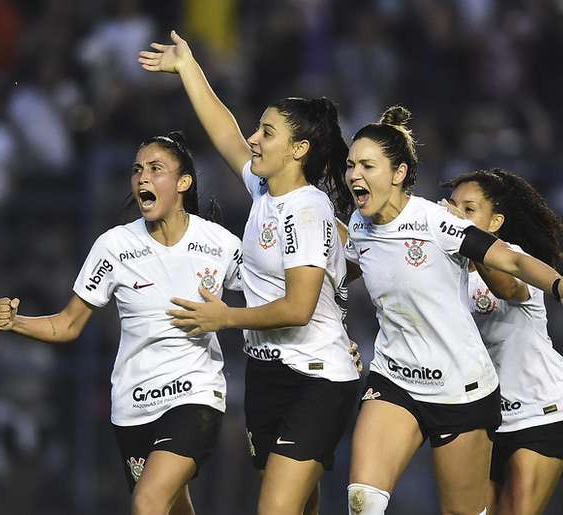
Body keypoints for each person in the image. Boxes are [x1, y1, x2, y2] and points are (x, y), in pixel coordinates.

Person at [139, 31, 360, 515]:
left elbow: (300, 308)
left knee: (275, 509)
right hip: (268, 372)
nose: (253, 139)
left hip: (315, 376)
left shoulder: (305, 210)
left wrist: (223, 318)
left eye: (267, 132)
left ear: (299, 149)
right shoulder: (265, 190)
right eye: (257, 129)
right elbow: (224, 133)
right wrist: (188, 68)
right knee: (300, 505)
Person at [341, 106, 563, 515]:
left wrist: (558, 283)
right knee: (362, 499)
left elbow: (510, 274)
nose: (354, 175)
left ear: (398, 173)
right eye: (351, 165)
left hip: (520, 407)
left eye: (367, 164)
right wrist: (335, 336)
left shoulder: (446, 232)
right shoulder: (367, 227)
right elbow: (336, 275)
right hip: (402, 378)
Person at [0, 131, 242, 515]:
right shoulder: (114, 246)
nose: (143, 178)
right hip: (133, 404)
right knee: (171, 507)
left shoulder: (220, 244)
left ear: (183, 182)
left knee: (148, 501)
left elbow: (274, 299)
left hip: (195, 394)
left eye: (156, 169)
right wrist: (15, 323)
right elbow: (68, 324)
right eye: (137, 170)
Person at [445, 169, 563, 515]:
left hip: (540, 410)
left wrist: (466, 238)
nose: (456, 214)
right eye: (452, 205)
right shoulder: (442, 268)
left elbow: (507, 288)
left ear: (495, 222)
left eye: (469, 209)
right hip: (484, 418)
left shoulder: (517, 259)